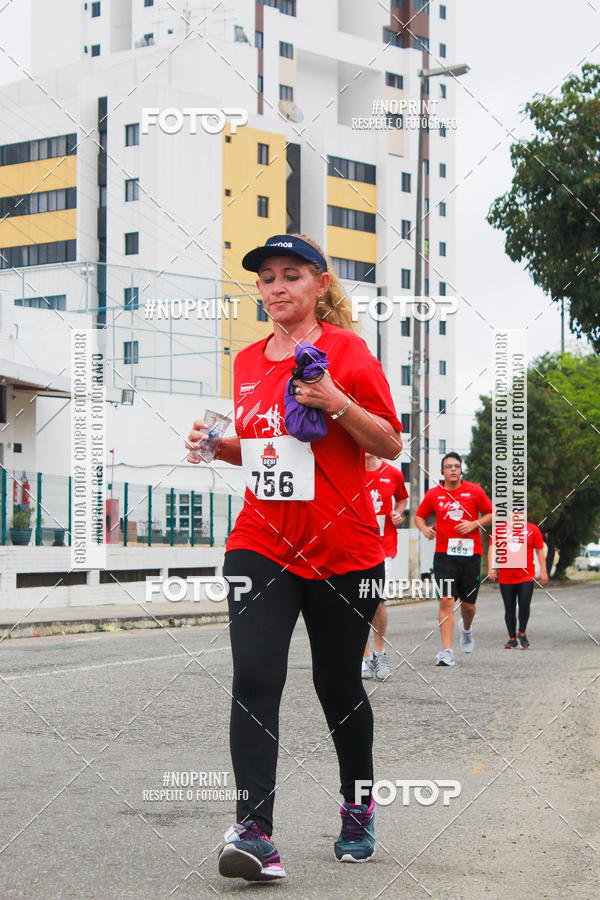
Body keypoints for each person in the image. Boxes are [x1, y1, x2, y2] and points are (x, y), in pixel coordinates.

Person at [186, 234, 402, 881]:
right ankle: (254, 832)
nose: (277, 287)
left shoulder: (349, 352)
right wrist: (214, 445)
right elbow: (266, 451)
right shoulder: (248, 361)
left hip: (344, 550)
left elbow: (389, 442)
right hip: (262, 544)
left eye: (291, 276)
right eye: (267, 278)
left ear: (319, 285)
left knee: (338, 685)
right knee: (255, 678)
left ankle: (358, 807)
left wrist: (337, 401)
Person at [415, 452, 493, 667]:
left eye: (456, 466)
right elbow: (419, 516)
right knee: (446, 600)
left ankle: (466, 629)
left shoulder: (474, 491)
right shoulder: (434, 494)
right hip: (444, 556)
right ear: (442, 471)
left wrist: (474, 524)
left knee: (468, 605)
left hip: (470, 555)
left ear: (461, 470)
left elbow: (491, 513)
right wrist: (425, 530)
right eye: (448, 466)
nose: (453, 470)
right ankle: (447, 651)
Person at [362, 453, 408, 681]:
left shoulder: (394, 474)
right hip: (354, 547)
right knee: (359, 602)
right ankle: (365, 656)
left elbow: (402, 499)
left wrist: (398, 513)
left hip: (383, 547)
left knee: (377, 600)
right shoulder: (350, 470)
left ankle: (380, 653)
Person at [488, 517, 548, 648]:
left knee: (524, 604)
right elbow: (492, 547)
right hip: (506, 576)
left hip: (526, 575)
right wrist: (491, 567)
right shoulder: (500, 529)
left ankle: (522, 632)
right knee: (509, 608)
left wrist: (543, 571)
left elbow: (539, 550)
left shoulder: (532, 529)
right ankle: (512, 637)